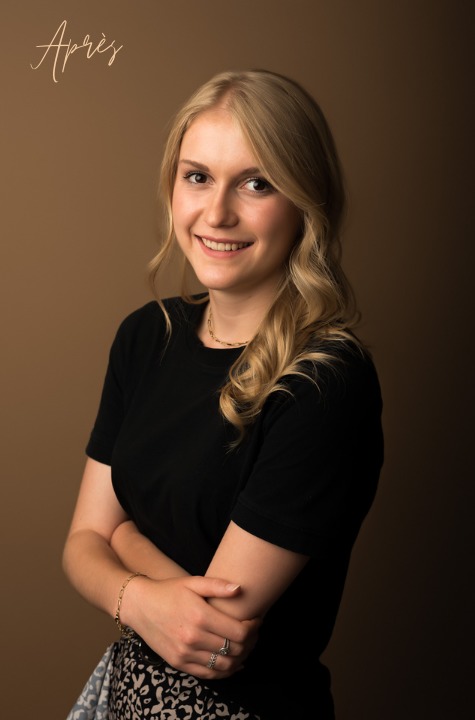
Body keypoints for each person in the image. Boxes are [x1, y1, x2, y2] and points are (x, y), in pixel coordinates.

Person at [63, 69, 384, 720]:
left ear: (305, 201)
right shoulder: (144, 338)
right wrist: (140, 595)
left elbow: (213, 633)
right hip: (122, 695)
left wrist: (120, 545)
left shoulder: (325, 378)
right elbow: (78, 544)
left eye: (256, 183)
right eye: (198, 176)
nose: (217, 213)